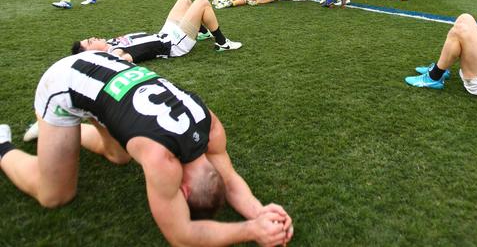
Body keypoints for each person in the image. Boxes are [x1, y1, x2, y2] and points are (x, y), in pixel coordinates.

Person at [0, 51, 293, 246]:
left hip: (107, 72)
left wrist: (260, 212)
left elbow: (228, 179)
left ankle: (58, 133)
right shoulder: (161, 159)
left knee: (119, 156)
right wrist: (251, 230)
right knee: (55, 196)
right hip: (64, 82)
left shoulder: (210, 127)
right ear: (184, 191)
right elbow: (181, 236)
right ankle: (5, 143)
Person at [71, 0, 242, 63]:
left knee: (184, 0)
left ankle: (202, 32)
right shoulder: (114, 54)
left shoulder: (109, 43)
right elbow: (122, 61)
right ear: (91, 53)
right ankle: (222, 43)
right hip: (174, 44)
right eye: (90, 42)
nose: (92, 37)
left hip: (165, 33)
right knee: (202, 2)